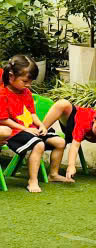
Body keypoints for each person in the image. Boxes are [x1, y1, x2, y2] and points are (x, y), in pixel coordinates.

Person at [0, 55, 71, 192]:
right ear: (11, 76)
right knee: (39, 145)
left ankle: (53, 174)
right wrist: (25, 129)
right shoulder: (2, 94)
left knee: (60, 142)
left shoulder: (26, 92)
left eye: (31, 81)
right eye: (25, 81)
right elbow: (3, 120)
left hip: (30, 129)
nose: (28, 85)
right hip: (13, 132)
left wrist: (42, 125)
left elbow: (32, 114)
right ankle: (32, 181)